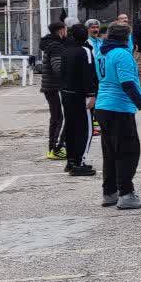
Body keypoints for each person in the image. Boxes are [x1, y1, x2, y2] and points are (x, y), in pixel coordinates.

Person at [94, 22, 141, 209]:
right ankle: (126, 194)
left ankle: (110, 192)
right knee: (128, 152)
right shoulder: (122, 54)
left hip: (103, 106)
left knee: (110, 152)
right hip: (118, 108)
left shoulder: (102, 53)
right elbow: (128, 84)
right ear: (127, 38)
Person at [59, 23, 98, 177]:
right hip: (80, 95)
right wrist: (91, 94)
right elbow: (88, 73)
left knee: (71, 127)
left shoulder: (66, 50)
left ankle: (71, 161)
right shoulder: (85, 51)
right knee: (85, 130)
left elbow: (62, 72)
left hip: (66, 93)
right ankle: (79, 163)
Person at [36, 21, 68, 161]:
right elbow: (57, 67)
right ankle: (55, 148)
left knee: (56, 117)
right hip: (54, 86)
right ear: (61, 31)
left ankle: (53, 148)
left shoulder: (50, 43)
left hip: (50, 85)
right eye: (66, 30)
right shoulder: (56, 45)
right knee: (58, 117)